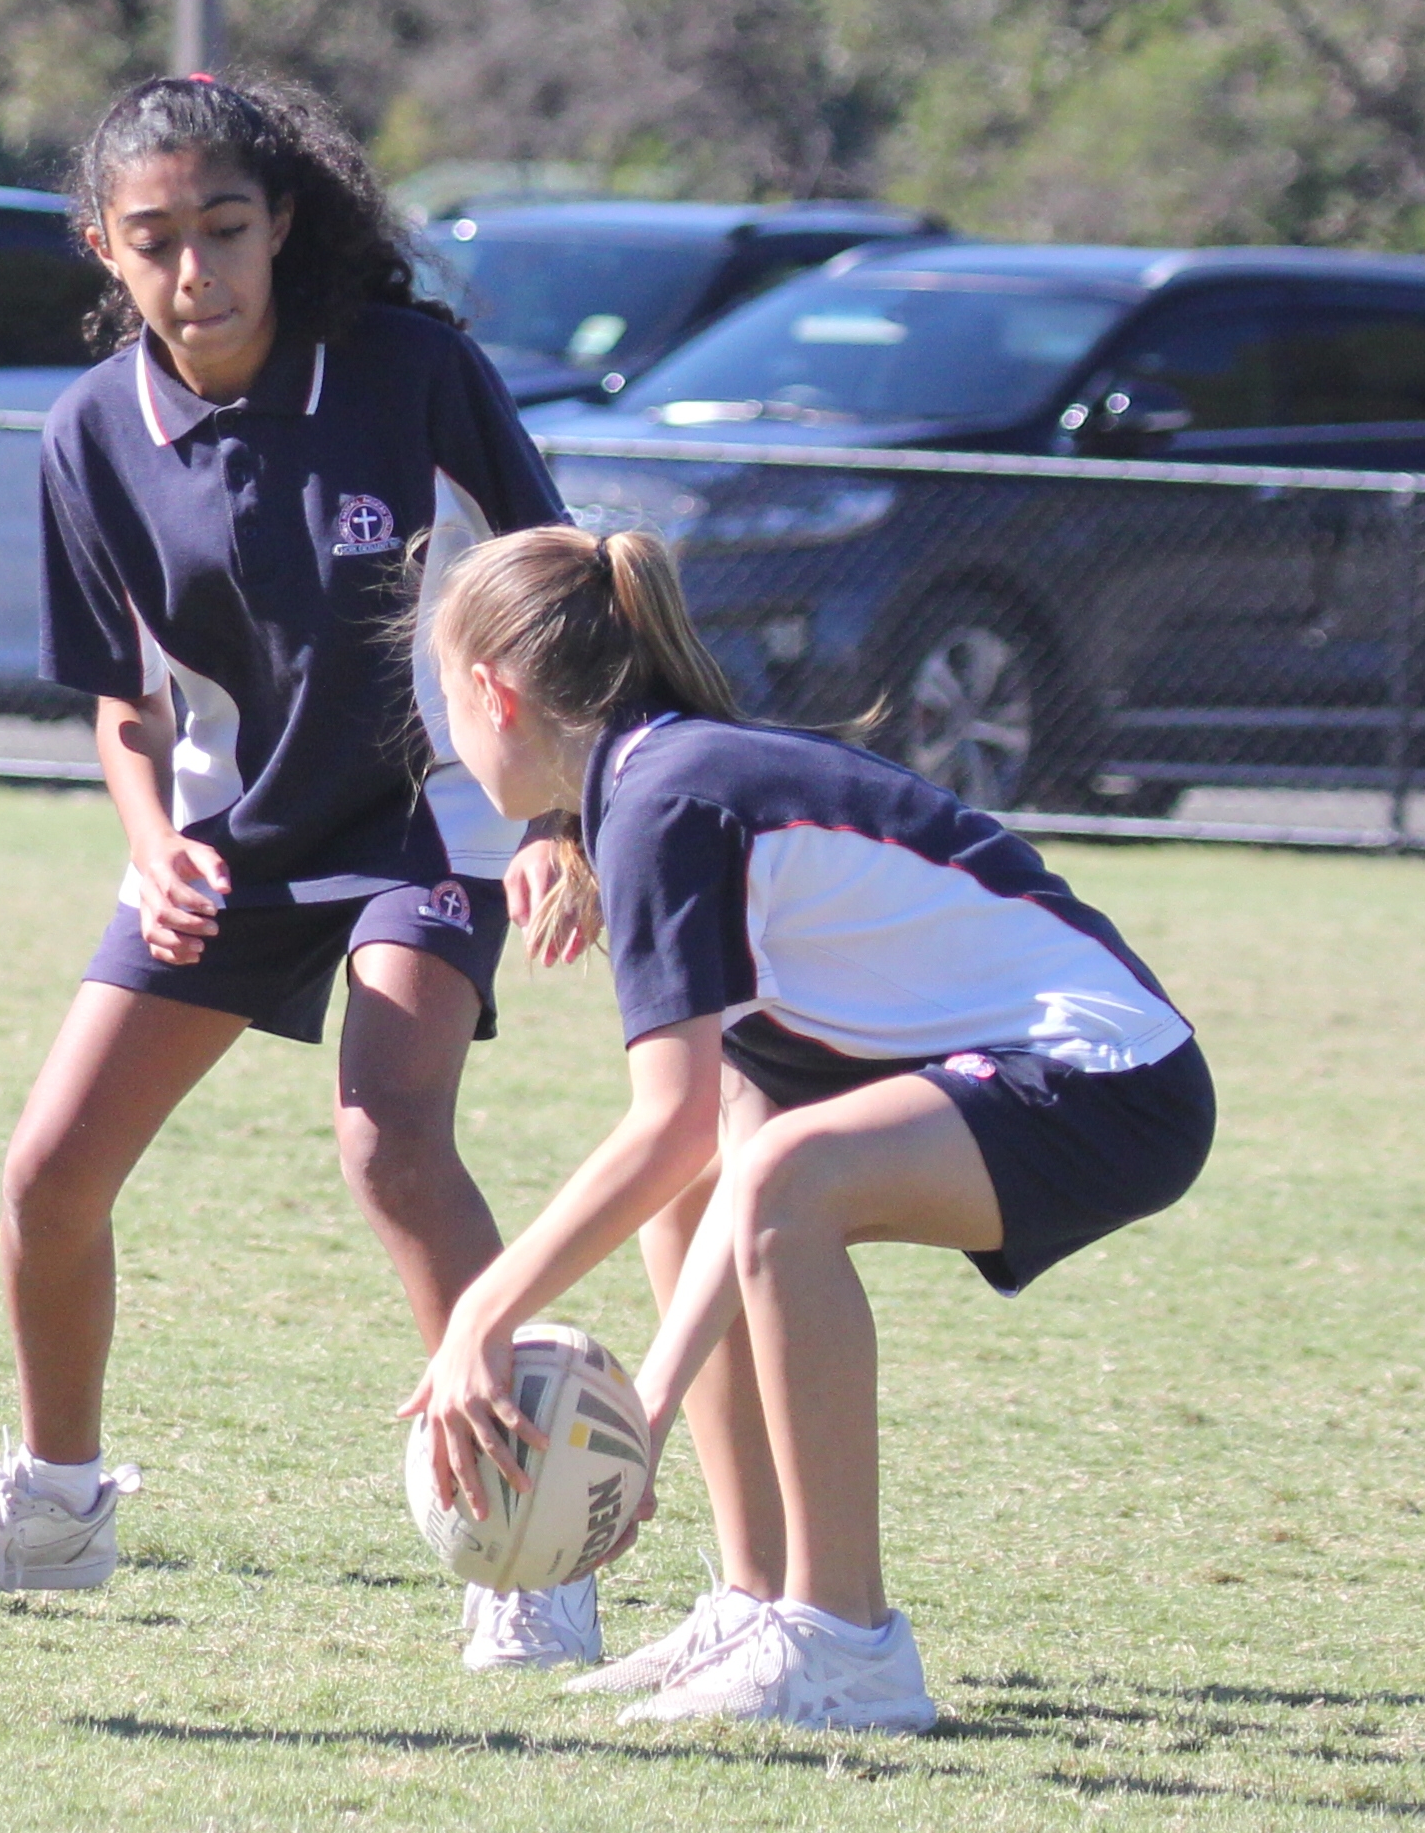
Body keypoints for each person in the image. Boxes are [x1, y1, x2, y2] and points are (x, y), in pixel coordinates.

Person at [0, 72, 610, 1669]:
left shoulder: (411, 374)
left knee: (390, 1139)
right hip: (228, 842)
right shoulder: (87, 437)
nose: (198, 268)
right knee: (46, 1180)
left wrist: (557, 824)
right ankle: (56, 1512)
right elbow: (127, 704)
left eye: (227, 228)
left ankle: (529, 1551)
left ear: (285, 226)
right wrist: (155, 852)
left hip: (428, 824)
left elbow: (555, 603)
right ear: (103, 251)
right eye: (157, 241)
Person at [405, 524, 1215, 1731]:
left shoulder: (664, 803)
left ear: (490, 693)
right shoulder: (650, 784)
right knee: (735, 1156)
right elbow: (701, 1142)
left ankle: (847, 1645)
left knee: (775, 1167)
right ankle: (756, 1597)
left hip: (1114, 1078)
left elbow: (666, 1124)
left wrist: (484, 1311)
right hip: (1041, 1064)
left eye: (441, 696)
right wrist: (644, 1421)